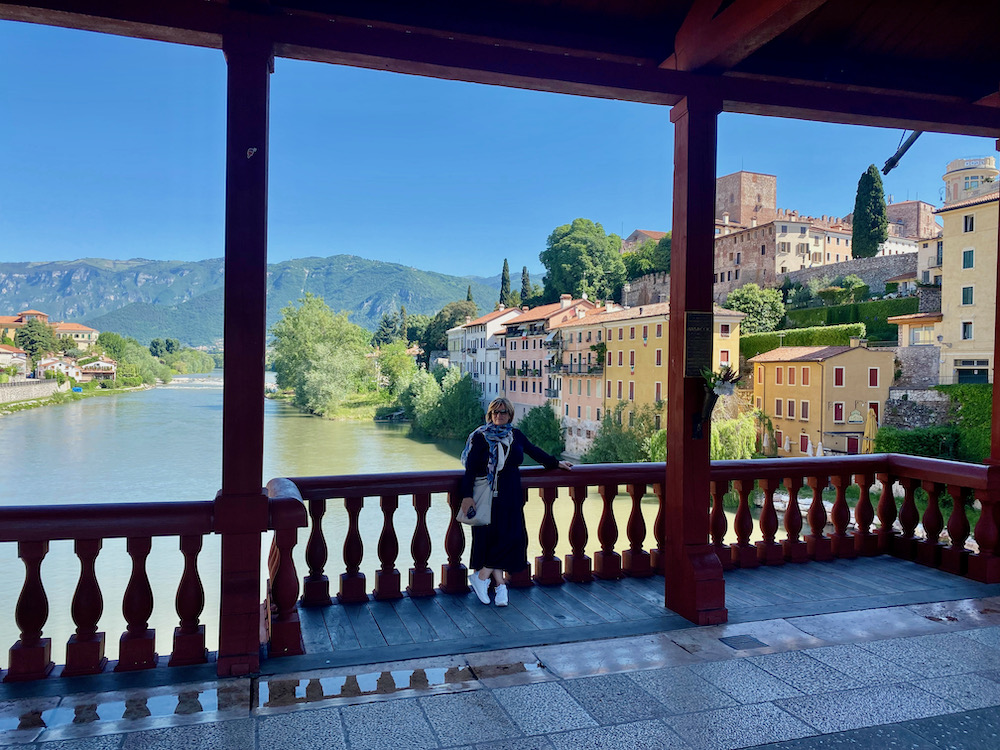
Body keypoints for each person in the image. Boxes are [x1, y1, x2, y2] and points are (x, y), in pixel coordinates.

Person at [459, 397, 571, 606]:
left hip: (511, 495)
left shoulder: (515, 435)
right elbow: (471, 470)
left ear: (510, 415)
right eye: (495, 413)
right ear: (490, 415)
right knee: (492, 539)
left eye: (503, 412)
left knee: (512, 538)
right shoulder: (481, 438)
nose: (499, 416)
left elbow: (534, 451)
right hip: (488, 496)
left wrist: (556, 463)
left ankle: (482, 577)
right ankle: (500, 587)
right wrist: (466, 497)